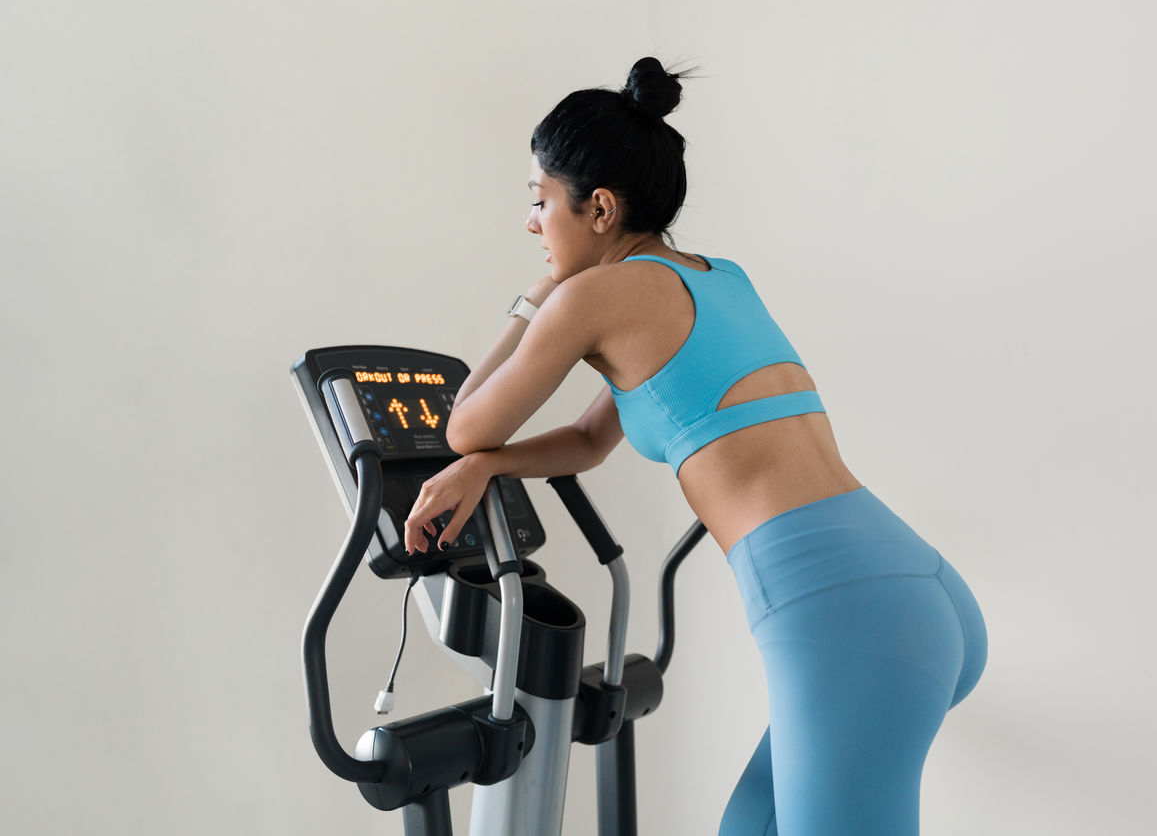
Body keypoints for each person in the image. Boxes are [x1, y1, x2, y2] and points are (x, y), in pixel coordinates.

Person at [404, 57, 987, 835]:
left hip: (844, 611)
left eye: (540, 201)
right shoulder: (715, 277)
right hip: (909, 587)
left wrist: (533, 303)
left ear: (600, 208)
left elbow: (464, 422)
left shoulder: (593, 296)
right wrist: (491, 467)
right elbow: (586, 440)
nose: (532, 223)